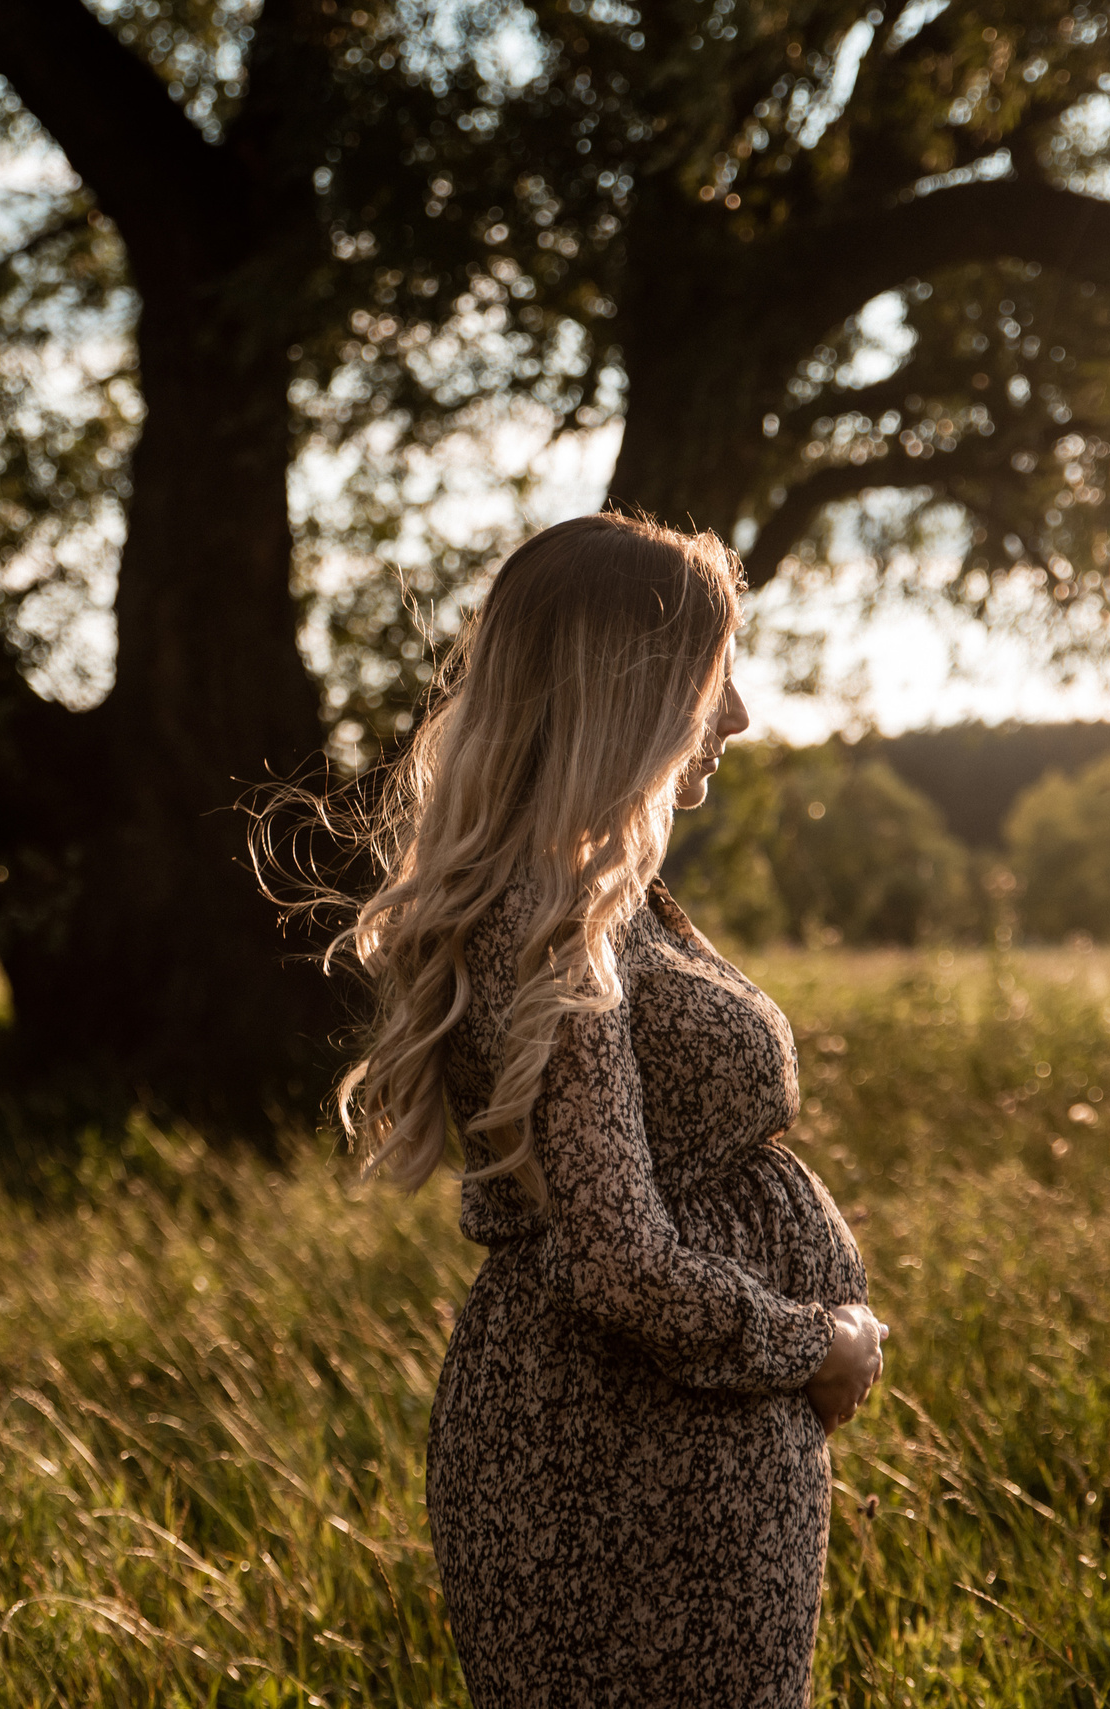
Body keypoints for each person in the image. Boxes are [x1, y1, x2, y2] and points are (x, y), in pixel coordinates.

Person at [328, 511, 888, 1705]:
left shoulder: (599, 892)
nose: (733, 715)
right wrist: (817, 1342)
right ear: (624, 687)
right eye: (713, 676)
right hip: (626, 1456)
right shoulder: (545, 915)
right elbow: (618, 1259)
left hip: (671, 1444)